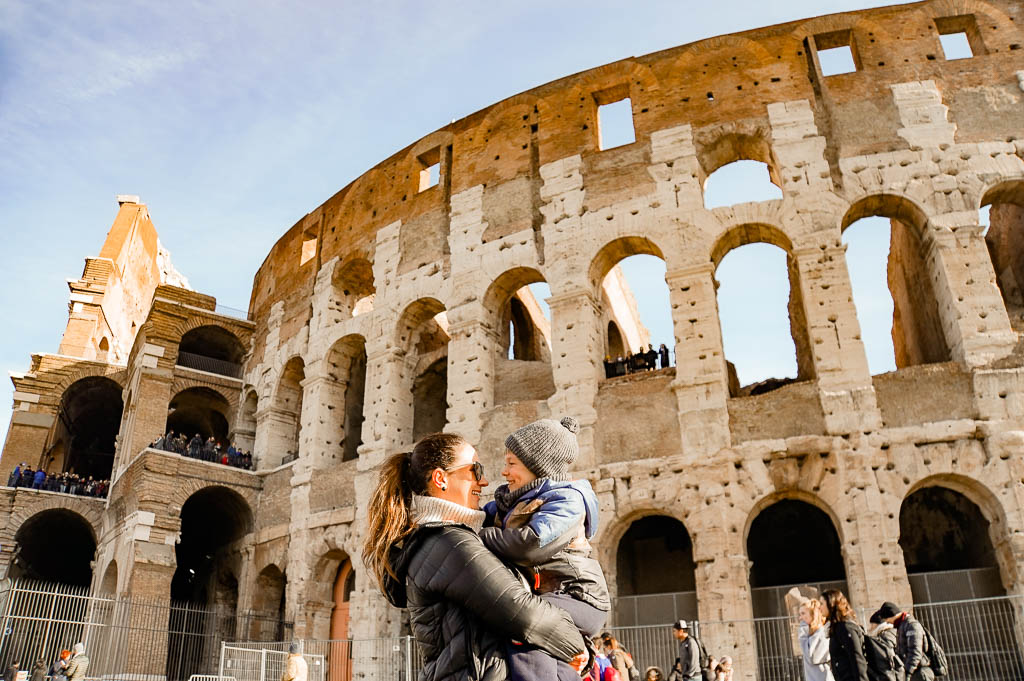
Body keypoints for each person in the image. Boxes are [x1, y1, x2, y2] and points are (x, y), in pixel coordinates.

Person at [362, 432, 587, 681]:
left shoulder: (443, 540)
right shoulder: (447, 542)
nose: (484, 481)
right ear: (441, 479)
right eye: (475, 470)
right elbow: (523, 612)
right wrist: (579, 647)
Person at [479, 416, 609, 681]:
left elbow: (531, 545)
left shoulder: (568, 500)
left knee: (523, 622)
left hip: (580, 597)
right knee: (551, 654)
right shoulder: (512, 500)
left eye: (511, 464)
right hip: (552, 594)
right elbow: (474, 519)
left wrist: (482, 536)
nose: (504, 472)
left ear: (538, 466)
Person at [876, 602, 932, 681]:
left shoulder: (911, 625)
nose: (888, 623)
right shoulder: (902, 626)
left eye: (887, 620)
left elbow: (915, 652)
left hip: (919, 673)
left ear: (892, 615)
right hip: (914, 672)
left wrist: (908, 673)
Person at [822, 590, 868, 681]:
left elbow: (857, 658)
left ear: (831, 604)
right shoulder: (835, 628)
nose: (819, 607)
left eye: (822, 603)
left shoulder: (845, 627)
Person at [799, 597, 834, 681]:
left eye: (803, 613)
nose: (800, 618)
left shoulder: (822, 632)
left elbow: (811, 658)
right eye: (800, 614)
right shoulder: (811, 634)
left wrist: (803, 630)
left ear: (813, 614)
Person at [866, 611, 903, 681]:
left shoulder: (885, 635)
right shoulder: (894, 631)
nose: (870, 628)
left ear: (878, 624)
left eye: (872, 625)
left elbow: (890, 656)